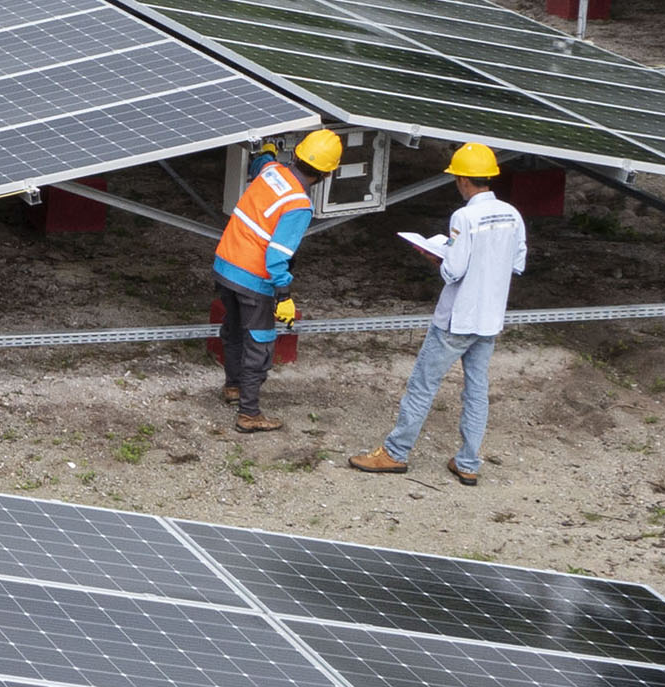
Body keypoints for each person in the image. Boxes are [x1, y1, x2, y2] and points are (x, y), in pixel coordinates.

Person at [353, 143, 527, 484]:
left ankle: (395, 452)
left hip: (456, 319)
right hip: (490, 319)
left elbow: (453, 271)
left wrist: (437, 257)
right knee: (476, 390)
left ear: (463, 180)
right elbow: (517, 264)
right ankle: (468, 462)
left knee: (422, 385)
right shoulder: (512, 214)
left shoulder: (464, 217)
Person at [211, 129, 341, 433]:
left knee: (232, 328)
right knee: (260, 343)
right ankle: (249, 413)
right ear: (327, 174)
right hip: (253, 279)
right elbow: (277, 255)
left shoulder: (271, 170)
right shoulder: (298, 205)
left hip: (225, 264)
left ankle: (233, 387)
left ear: (295, 155)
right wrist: (283, 294)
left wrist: (268, 150)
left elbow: (261, 162)